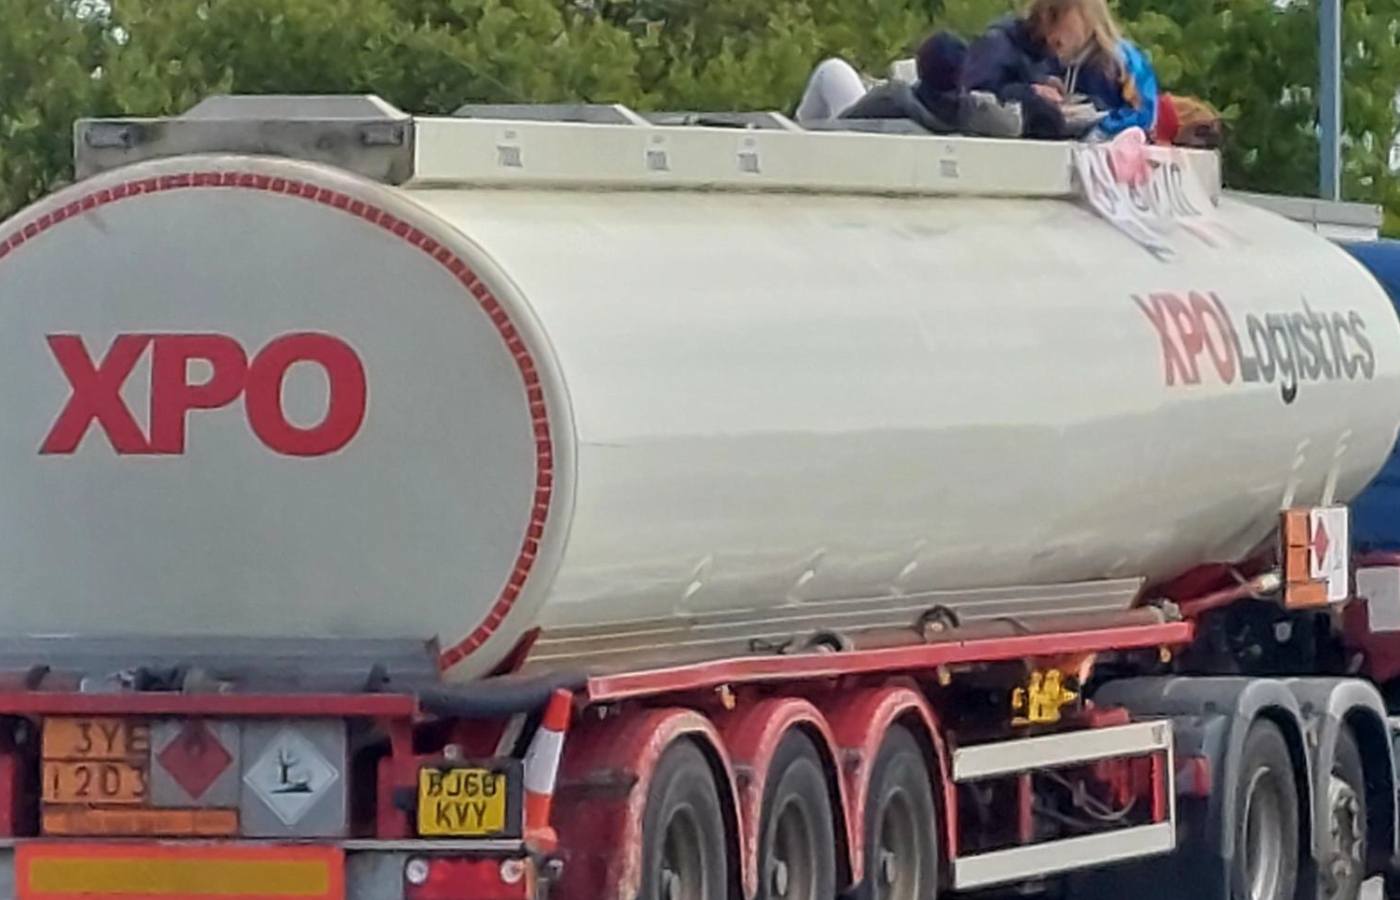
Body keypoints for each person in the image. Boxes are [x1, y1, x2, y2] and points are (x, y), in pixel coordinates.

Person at [961, 0, 1159, 140]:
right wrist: (1035, 92)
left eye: (1057, 17)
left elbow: (1143, 115)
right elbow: (981, 92)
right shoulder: (1018, 47)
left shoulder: (1122, 62)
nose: (1050, 36)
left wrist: (1098, 124)